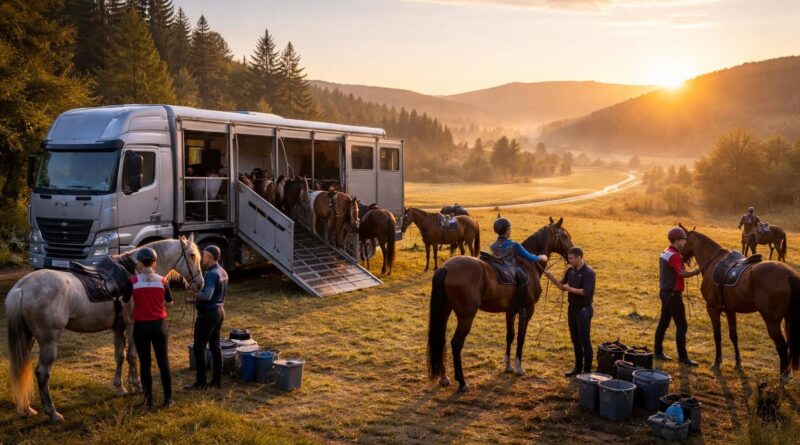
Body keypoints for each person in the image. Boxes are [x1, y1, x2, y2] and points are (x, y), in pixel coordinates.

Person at [122, 247, 174, 408]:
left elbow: (124, 302)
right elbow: (170, 303)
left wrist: (131, 313)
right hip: (159, 325)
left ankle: (148, 400)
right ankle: (168, 399)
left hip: (141, 326)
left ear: (139, 262)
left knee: (145, 363)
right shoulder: (163, 281)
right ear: (154, 263)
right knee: (163, 362)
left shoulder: (133, 282)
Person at [544, 247, 596, 377]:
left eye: (571, 258)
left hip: (584, 310)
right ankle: (578, 369)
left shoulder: (589, 273)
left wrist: (570, 289)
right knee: (575, 340)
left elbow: (585, 292)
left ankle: (587, 371)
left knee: (585, 340)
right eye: (568, 258)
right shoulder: (570, 270)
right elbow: (562, 286)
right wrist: (551, 277)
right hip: (572, 308)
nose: (568, 260)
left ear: (579, 257)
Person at [654, 227, 701, 366]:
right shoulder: (674, 256)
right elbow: (681, 273)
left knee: (664, 322)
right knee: (682, 325)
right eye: (683, 239)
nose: (685, 242)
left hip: (665, 292)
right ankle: (683, 357)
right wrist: (697, 271)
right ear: (676, 240)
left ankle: (657, 351)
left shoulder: (666, 252)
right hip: (673, 294)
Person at [185, 245, 228, 390]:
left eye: (204, 255)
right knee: (215, 346)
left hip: (208, 315)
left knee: (199, 347)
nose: (202, 258)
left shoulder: (211, 274)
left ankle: (201, 381)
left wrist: (193, 294)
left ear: (209, 257)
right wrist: (194, 301)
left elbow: (207, 295)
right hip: (219, 311)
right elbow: (214, 296)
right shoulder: (222, 272)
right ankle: (217, 381)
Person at [490, 218, 548, 316]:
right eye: (510, 229)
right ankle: (521, 304)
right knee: (523, 276)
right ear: (507, 230)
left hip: (498, 267)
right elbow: (529, 257)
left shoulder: (493, 244)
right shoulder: (514, 245)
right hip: (509, 269)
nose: (510, 231)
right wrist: (541, 257)